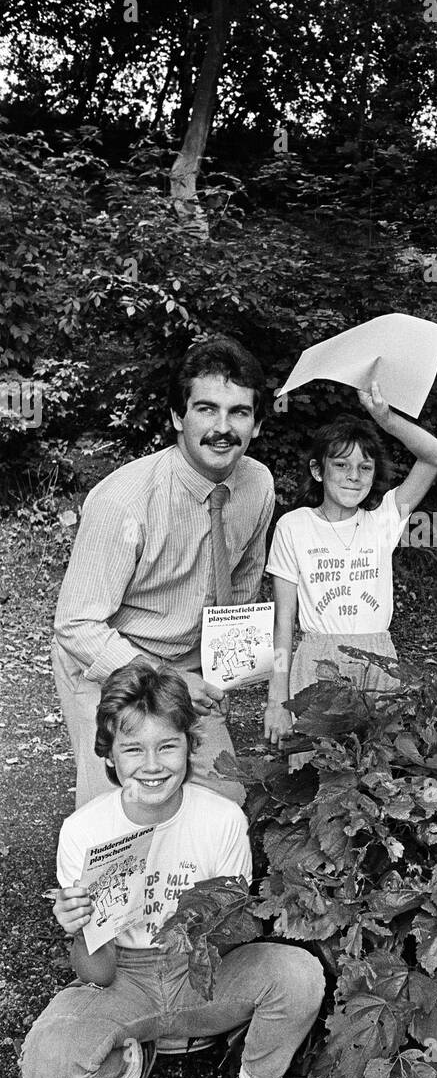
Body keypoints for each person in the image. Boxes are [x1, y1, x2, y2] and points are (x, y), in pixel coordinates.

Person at [19, 664, 325, 1078]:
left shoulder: (223, 818)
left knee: (300, 975)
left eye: (168, 746)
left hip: (199, 972)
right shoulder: (84, 832)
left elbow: (235, 940)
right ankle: (131, 1068)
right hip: (126, 978)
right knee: (46, 1067)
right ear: (110, 756)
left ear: (189, 745)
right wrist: (80, 927)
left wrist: (218, 914)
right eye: (134, 749)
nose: (153, 766)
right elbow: (97, 974)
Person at [52, 336, 275, 807]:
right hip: (110, 662)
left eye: (239, 412)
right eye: (207, 409)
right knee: (123, 808)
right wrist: (171, 684)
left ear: (255, 423)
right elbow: (77, 626)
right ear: (178, 417)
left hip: (190, 667)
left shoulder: (258, 485)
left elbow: (241, 586)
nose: (223, 428)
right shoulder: (125, 500)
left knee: (225, 801)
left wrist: (222, 673)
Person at [263, 381, 437, 747]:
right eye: (342, 464)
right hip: (317, 662)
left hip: (379, 662)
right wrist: (276, 701)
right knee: (319, 772)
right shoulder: (294, 526)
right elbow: (282, 622)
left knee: (378, 771)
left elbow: (436, 456)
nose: (354, 475)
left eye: (365, 467)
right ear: (318, 470)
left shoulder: (383, 519)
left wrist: (384, 416)